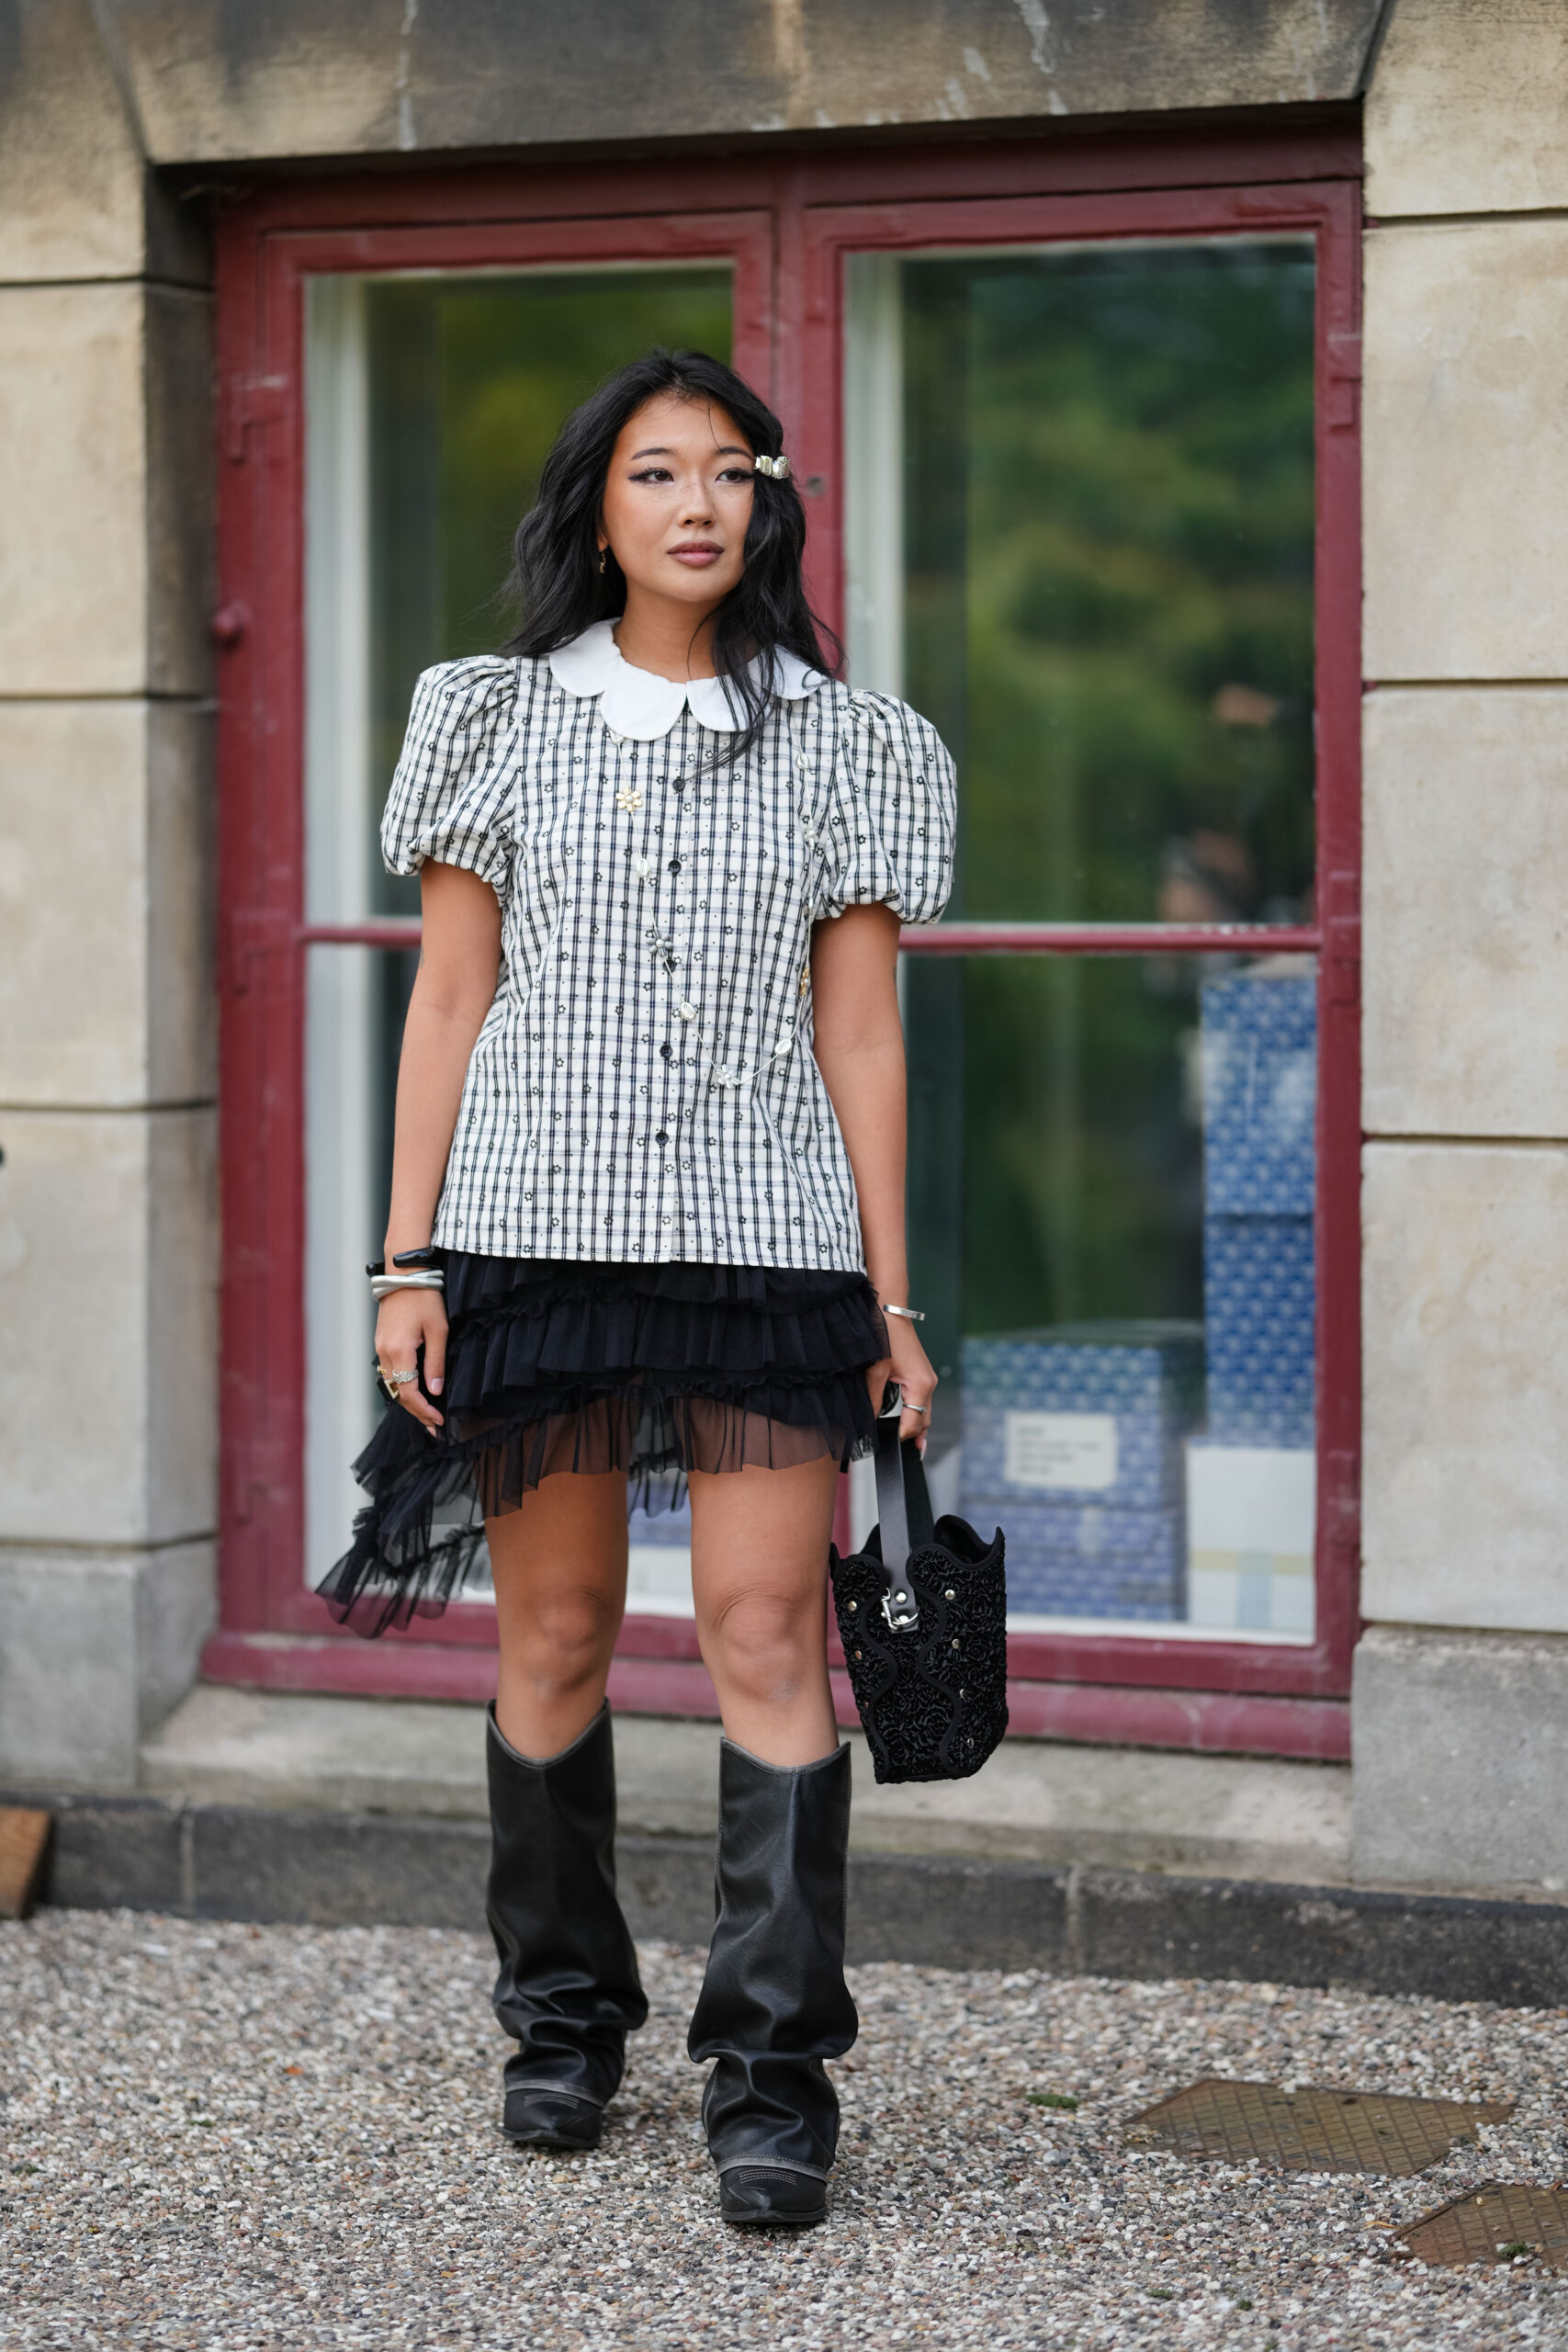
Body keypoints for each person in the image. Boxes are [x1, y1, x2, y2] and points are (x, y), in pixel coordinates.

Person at [320, 349, 955, 2230]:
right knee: (558, 1628)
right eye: (657, 470)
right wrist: (407, 1259)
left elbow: (862, 1034)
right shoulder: (492, 716)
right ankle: (562, 2019)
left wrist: (892, 1299)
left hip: (771, 1248)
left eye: (730, 470)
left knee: (766, 1630)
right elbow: (448, 998)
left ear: (769, 502)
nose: (698, 502)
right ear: (598, 508)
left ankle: (771, 2070)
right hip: (535, 1238)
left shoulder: (848, 741)